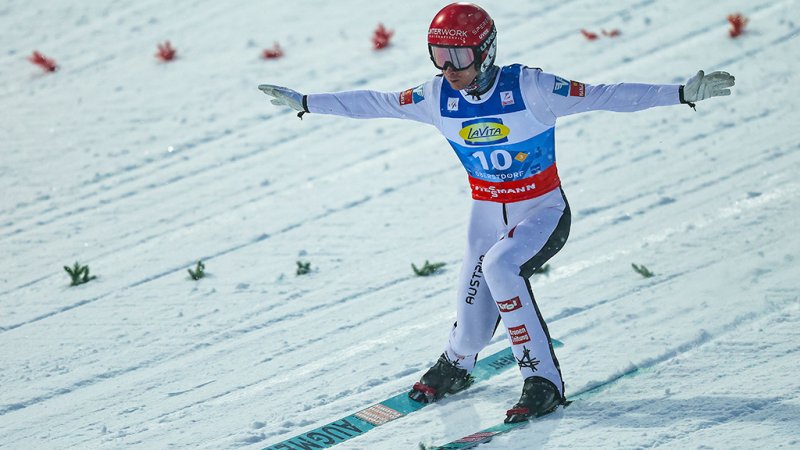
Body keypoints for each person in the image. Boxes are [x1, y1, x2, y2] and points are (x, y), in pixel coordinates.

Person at [259, 2, 735, 423]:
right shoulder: (436, 97)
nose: (449, 70)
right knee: (469, 324)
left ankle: (542, 380)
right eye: (438, 56)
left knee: (501, 267)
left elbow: (605, 95)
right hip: (486, 217)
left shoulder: (531, 87)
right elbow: (377, 103)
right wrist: (307, 102)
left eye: (459, 57)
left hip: (542, 212)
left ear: (485, 52)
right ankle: (457, 363)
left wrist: (680, 93)